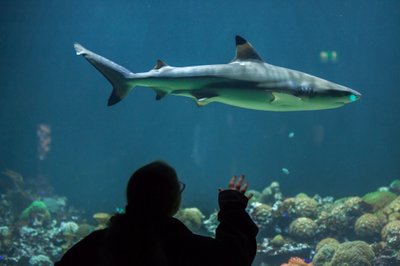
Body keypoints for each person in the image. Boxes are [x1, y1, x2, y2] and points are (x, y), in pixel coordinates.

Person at [55, 161, 258, 266]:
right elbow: (234, 258)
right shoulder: (184, 248)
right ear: (172, 201)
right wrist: (232, 206)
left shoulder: (96, 245)